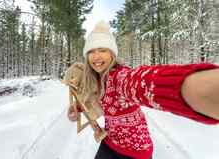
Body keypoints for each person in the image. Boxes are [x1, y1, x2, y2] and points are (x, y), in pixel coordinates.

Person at [67, 21, 219, 159]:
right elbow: (97, 102)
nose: (96, 56)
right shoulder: (98, 80)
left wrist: (188, 86)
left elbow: (139, 82)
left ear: (112, 54)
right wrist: (78, 108)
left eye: (102, 50)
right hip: (109, 142)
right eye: (92, 51)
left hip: (135, 152)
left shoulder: (119, 77)